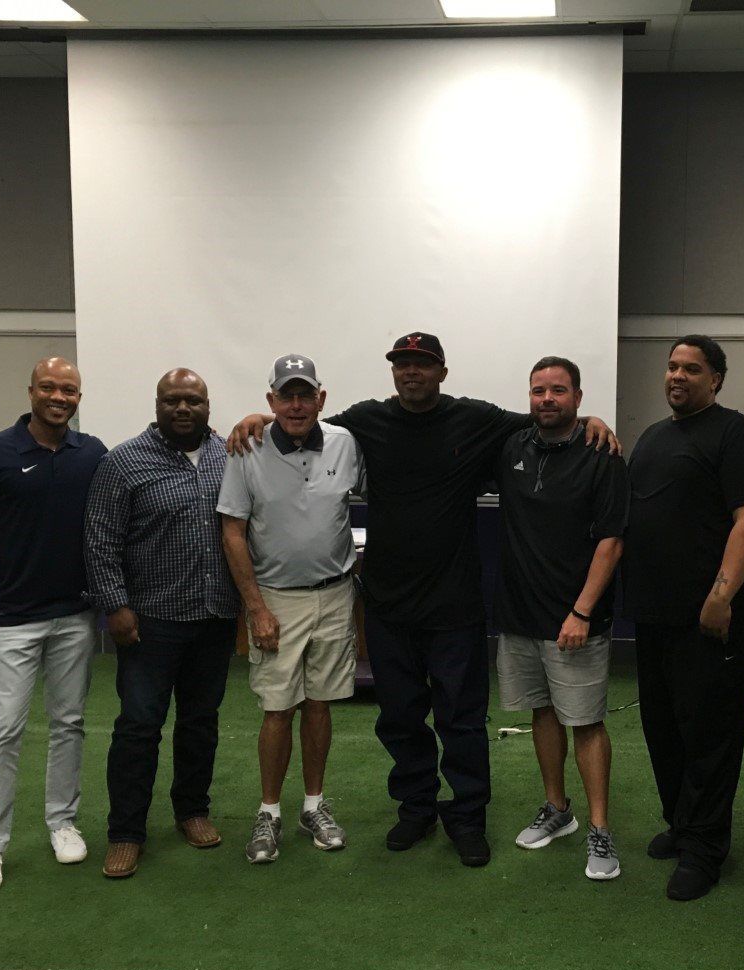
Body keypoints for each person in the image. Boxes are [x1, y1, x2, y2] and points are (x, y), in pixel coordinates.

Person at [228, 331, 617, 868]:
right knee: (401, 718)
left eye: (423, 364)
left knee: (461, 720)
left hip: (455, 607)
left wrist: (593, 420)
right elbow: (301, 419)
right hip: (388, 605)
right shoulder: (365, 421)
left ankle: (467, 816)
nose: (411, 373)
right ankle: (415, 809)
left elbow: (547, 419)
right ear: (393, 372)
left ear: (442, 371)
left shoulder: (474, 419)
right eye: (402, 364)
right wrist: (256, 417)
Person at [622, 334, 744, 902]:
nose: (677, 376)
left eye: (691, 368)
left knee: (709, 734)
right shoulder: (655, 437)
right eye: (671, 367)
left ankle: (707, 850)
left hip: (711, 619)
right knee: (663, 729)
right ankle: (683, 825)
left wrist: (721, 595)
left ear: (716, 379)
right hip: (655, 615)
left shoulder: (736, 434)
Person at [0, 357, 107, 894]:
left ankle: (62, 822)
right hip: (13, 619)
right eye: (49, 387)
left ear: (78, 398)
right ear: (31, 391)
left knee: (69, 723)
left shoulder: (93, 455)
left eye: (69, 389)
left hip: (76, 615)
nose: (59, 397)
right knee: (3, 730)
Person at [84, 368, 240, 879]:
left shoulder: (229, 457)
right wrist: (116, 605)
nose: (182, 409)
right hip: (149, 621)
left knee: (200, 723)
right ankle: (126, 834)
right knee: (138, 728)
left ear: (208, 405)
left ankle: (192, 812)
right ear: (157, 404)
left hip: (214, 615)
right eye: (172, 400)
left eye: (193, 400)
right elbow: (101, 540)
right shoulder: (123, 462)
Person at [218, 355, 364, 864]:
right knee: (278, 708)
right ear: (271, 401)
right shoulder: (248, 446)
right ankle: (269, 812)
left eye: (306, 395)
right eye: (287, 395)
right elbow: (232, 531)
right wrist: (255, 608)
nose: (297, 405)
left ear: (321, 399)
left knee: (320, 704)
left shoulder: (347, 444)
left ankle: (313, 806)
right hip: (276, 600)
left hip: (336, 595)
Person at [495, 357, 628, 881]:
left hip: (575, 620)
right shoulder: (512, 447)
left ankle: (600, 830)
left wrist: (582, 611)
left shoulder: (602, 454)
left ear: (577, 396)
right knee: (542, 714)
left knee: (586, 723)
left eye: (558, 390)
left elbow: (612, 541)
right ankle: (558, 810)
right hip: (520, 616)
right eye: (538, 391)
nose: (547, 399)